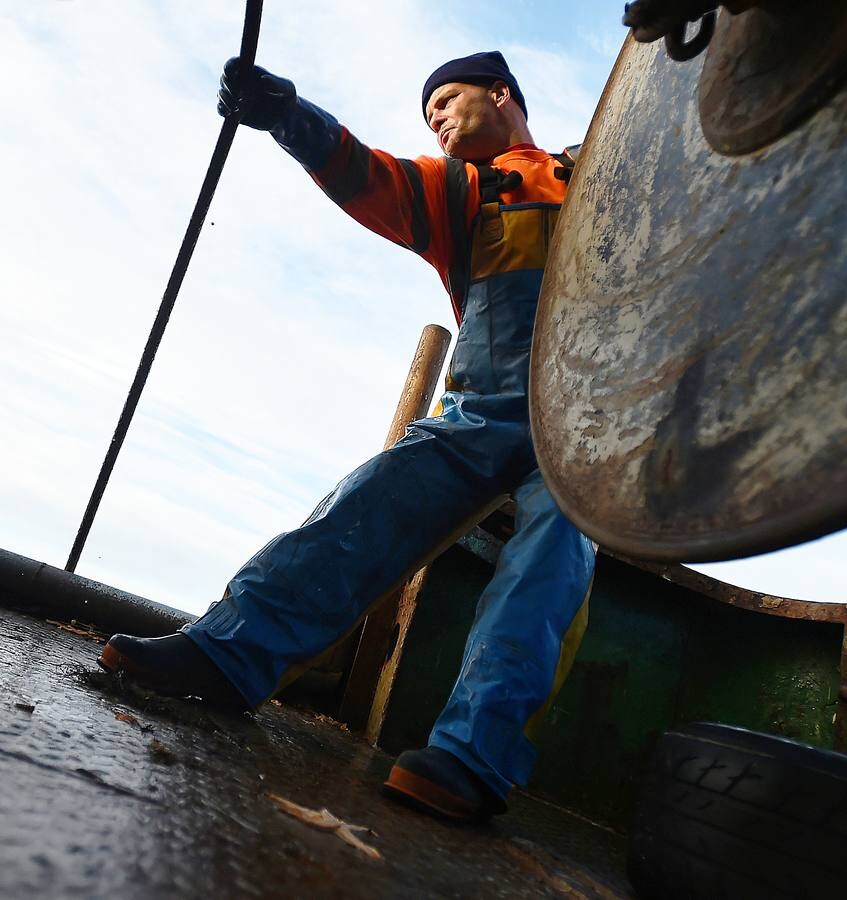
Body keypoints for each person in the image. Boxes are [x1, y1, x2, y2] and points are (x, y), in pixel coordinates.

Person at [98, 51, 597, 824]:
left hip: (590, 418)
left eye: (447, 102)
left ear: (500, 95)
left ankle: (472, 759)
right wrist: (286, 117)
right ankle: (229, 655)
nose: (435, 121)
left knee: (548, 566)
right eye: (427, 115)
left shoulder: (595, 171)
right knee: (367, 501)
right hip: (483, 408)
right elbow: (365, 172)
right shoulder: (455, 191)